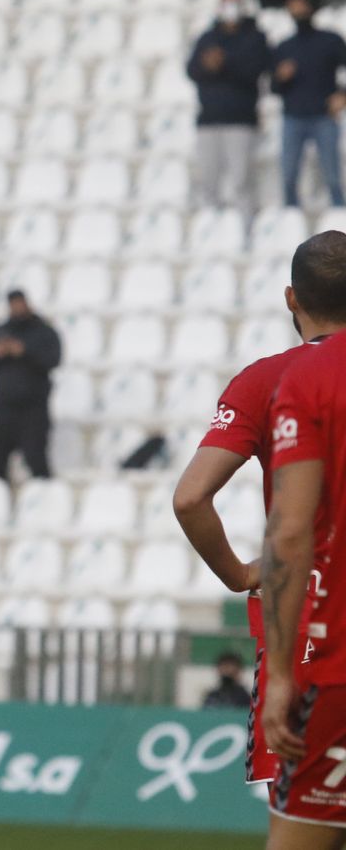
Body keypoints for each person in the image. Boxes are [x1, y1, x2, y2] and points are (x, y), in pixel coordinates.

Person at [173, 232, 346, 781]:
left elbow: (191, 497)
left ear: (291, 298)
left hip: (309, 617)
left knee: (305, 818)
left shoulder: (267, 380)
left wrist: (239, 573)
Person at [260, 236, 346, 843]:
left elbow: (291, 533)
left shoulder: (309, 373)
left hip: (338, 665)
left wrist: (284, 674)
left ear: (293, 298)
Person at [187, 0, 270, 213]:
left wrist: (224, 64)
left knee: (242, 178)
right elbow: (192, 70)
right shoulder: (207, 37)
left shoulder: (254, 36)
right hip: (209, 120)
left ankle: (246, 227)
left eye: (234, 4)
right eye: (226, 4)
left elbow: (255, 69)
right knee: (208, 178)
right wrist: (208, 65)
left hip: (240, 121)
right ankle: (211, 227)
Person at [0, 289, 62, 482]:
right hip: (4, 407)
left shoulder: (43, 332)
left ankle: (44, 502)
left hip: (33, 409)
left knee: (36, 460)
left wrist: (24, 351)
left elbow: (54, 360)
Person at [272, 0, 346, 208]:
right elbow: (275, 87)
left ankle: (340, 220)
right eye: (293, 7)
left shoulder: (330, 40)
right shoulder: (284, 46)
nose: (298, 11)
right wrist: (281, 77)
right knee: (288, 175)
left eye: (301, 5)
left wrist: (342, 94)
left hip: (324, 116)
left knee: (332, 175)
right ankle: (290, 219)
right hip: (293, 117)